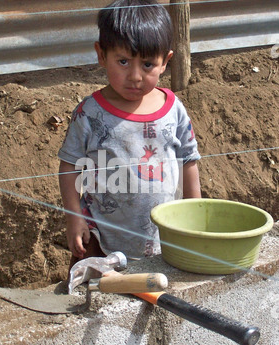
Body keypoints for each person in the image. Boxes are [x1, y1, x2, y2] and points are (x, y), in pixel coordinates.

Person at [58, 0, 201, 272]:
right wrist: (73, 217)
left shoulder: (174, 110)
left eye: (148, 64)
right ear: (101, 55)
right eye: (123, 61)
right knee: (93, 299)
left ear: (165, 62)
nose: (135, 76)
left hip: (163, 239)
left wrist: (194, 218)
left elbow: (188, 162)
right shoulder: (89, 114)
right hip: (99, 239)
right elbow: (69, 167)